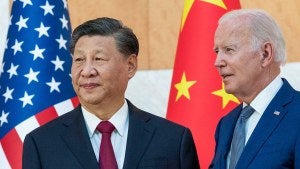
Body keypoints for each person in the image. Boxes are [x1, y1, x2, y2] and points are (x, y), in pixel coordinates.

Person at [22, 17, 200, 169]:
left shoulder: (173, 139)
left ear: (130, 66)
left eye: (98, 59)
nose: (86, 71)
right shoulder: (41, 143)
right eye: (79, 60)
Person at [209, 9, 300, 169]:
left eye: (229, 50)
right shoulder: (226, 124)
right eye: (217, 51)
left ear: (265, 54)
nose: (218, 62)